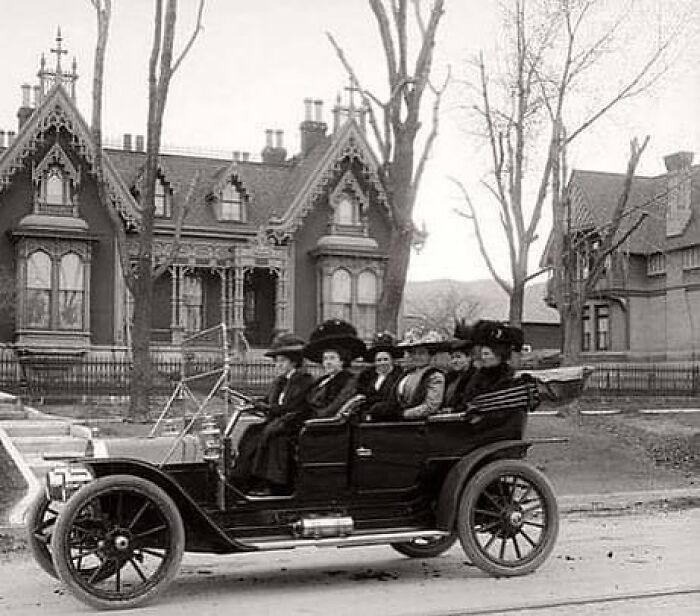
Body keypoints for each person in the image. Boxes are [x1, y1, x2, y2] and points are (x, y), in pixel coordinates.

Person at [243, 332, 314, 496]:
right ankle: (248, 479)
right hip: (279, 421)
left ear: (293, 362)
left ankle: (274, 484)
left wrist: (268, 408)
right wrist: (253, 403)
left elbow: (294, 407)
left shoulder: (304, 380)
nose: (278, 365)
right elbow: (270, 401)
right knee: (252, 432)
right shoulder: (280, 381)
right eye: (277, 361)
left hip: (293, 425)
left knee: (275, 438)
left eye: (282, 361)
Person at [303, 319, 366, 418]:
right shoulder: (320, 382)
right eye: (325, 359)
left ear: (342, 361)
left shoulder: (350, 380)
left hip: (327, 425)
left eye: (332, 358)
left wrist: (315, 417)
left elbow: (336, 406)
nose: (328, 362)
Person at [455, 320, 522, 408]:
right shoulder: (477, 376)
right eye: (482, 354)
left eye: (486, 354)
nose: (483, 357)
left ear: (499, 355)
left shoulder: (508, 378)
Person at [391, 329, 447, 420]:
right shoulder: (407, 374)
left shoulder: (435, 376)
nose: (417, 357)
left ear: (430, 355)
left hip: (422, 425)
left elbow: (431, 406)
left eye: (421, 353)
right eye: (414, 353)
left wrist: (404, 414)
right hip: (401, 423)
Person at [355, 332, 404, 420]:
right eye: (379, 360)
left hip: (392, 420)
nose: (382, 363)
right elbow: (360, 398)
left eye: (385, 359)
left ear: (392, 360)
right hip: (366, 420)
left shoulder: (400, 376)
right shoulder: (366, 377)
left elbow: (396, 401)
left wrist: (374, 411)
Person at [442, 319, 477, 412]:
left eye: (458, 357)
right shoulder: (449, 378)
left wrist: (454, 409)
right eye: (452, 358)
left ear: (469, 357)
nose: (455, 361)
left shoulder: (475, 377)